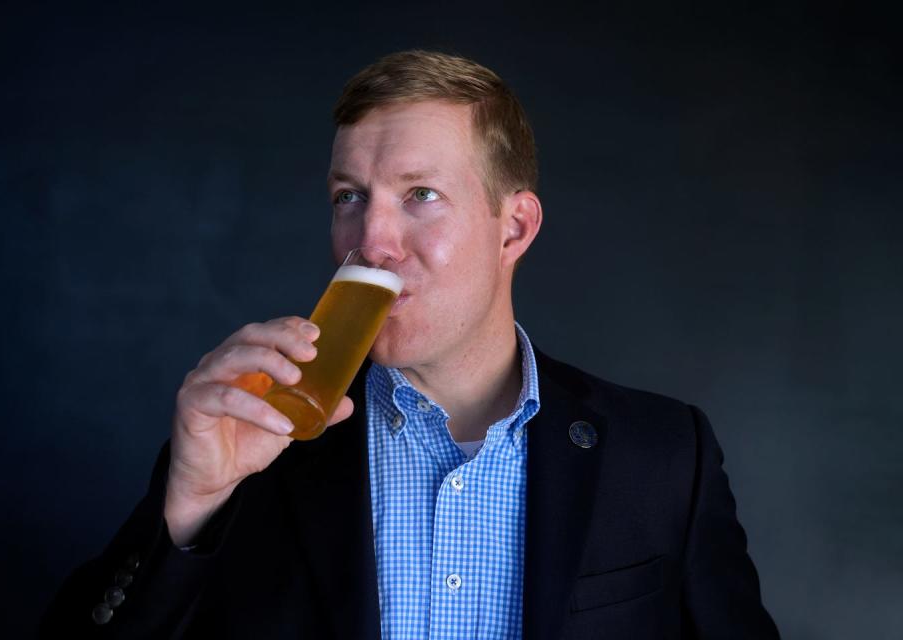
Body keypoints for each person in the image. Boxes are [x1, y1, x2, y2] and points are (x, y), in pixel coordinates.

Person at [41, 50, 780, 639]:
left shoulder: (662, 457)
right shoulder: (252, 446)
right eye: (349, 197)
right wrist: (188, 507)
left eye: (419, 195)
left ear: (514, 228)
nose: (370, 241)